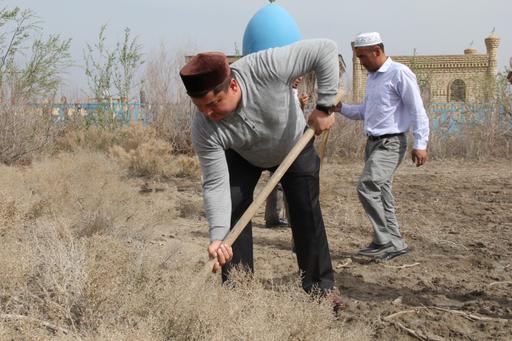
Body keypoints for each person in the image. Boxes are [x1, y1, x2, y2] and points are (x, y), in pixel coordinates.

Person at [180, 39, 342, 310]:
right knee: (232, 209)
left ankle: (320, 290)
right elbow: (215, 184)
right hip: (244, 154)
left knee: (305, 212)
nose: (209, 114)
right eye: (201, 107)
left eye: (214, 104)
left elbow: (325, 49)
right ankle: (239, 293)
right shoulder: (204, 126)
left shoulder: (267, 66)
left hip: (293, 143)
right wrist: (218, 237)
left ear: (232, 85)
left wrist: (324, 107)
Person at [334, 32, 429, 261]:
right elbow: (365, 112)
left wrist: (420, 143)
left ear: (377, 51)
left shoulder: (399, 73)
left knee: (367, 186)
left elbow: (417, 110)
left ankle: (384, 240)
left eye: (363, 57)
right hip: (373, 144)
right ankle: (394, 242)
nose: (361, 62)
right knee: (382, 193)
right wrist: (340, 108)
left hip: (391, 143)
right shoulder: (374, 78)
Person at [264, 77, 308, 228]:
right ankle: (280, 219)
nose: (299, 79)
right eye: (296, 76)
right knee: (283, 181)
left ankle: (276, 218)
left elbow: (297, 118)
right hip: (282, 141)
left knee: (278, 181)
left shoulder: (293, 92)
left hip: (289, 141)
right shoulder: (280, 92)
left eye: (300, 76)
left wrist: (301, 106)